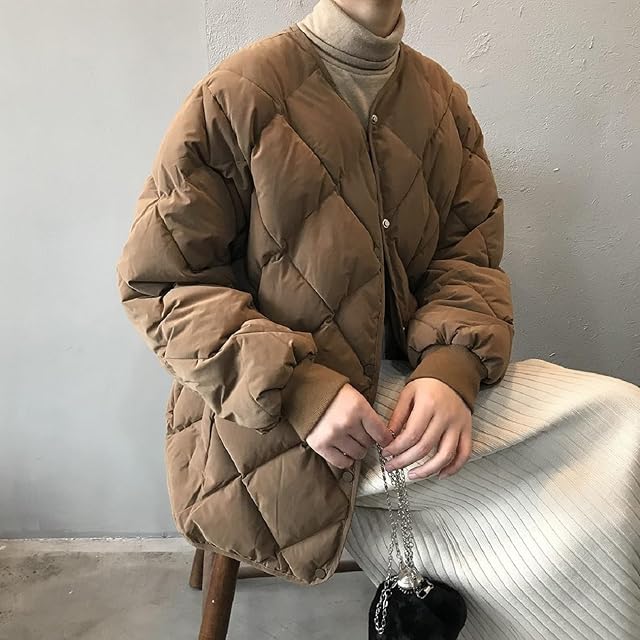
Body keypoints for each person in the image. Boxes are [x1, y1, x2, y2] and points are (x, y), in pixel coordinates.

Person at [116, 1, 640, 637]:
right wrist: (298, 387)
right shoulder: (235, 95)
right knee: (570, 498)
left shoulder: (441, 100)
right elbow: (164, 284)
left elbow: (467, 257)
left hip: (413, 393)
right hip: (276, 414)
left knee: (623, 427)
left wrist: (452, 367)